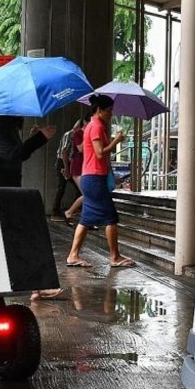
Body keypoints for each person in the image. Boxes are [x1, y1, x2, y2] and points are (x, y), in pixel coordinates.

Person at [0, 115, 61, 300]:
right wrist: (39, 137)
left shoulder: (5, 129)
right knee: (24, 237)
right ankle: (36, 286)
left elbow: (17, 153)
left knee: (17, 238)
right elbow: (13, 154)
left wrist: (32, 138)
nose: (23, 116)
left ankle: (34, 286)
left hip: (4, 193)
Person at [66, 94, 135, 268]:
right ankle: (115, 257)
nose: (111, 114)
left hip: (90, 177)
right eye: (109, 111)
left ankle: (73, 255)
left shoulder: (91, 126)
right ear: (99, 110)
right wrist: (116, 141)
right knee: (110, 217)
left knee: (86, 219)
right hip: (95, 177)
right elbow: (99, 153)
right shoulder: (96, 126)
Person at [0, 116, 56, 189]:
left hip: (6, 185)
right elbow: (13, 154)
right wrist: (39, 138)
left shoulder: (8, 128)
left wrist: (34, 138)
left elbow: (19, 156)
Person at [52, 117, 83, 220]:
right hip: (63, 162)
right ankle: (56, 212)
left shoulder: (75, 135)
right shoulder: (70, 134)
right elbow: (64, 152)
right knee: (62, 187)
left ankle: (75, 209)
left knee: (76, 187)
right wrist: (66, 168)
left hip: (68, 162)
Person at [63, 114, 91, 223]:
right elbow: (81, 149)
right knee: (87, 194)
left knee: (89, 194)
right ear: (85, 122)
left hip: (87, 166)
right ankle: (69, 212)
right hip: (78, 166)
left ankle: (86, 218)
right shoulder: (78, 134)